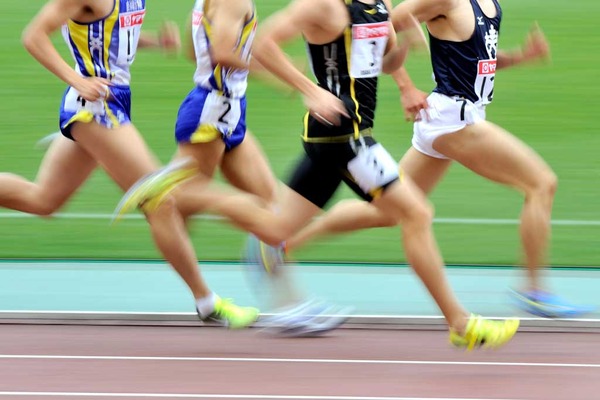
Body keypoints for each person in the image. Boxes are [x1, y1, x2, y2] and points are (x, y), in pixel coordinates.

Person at [116, 0, 520, 348]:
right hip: (343, 137)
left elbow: (381, 61)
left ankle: (178, 192)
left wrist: (407, 49)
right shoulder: (324, 5)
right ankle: (460, 324)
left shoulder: (375, 5)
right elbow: (263, 43)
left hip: (343, 136)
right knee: (416, 214)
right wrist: (309, 89)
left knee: (275, 230)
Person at [271, 0, 595, 319]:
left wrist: (520, 57)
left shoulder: (488, 5)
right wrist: (402, 76)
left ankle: (285, 244)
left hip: (445, 120)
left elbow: (479, 61)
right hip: (454, 120)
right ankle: (534, 290)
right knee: (541, 183)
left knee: (386, 212)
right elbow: (383, 24)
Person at [0, 0, 258, 328]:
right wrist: (77, 80)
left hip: (113, 100)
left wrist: (152, 41)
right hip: (94, 107)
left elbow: (112, 35)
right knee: (160, 200)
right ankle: (207, 302)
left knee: (43, 200)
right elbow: (33, 36)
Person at [148, 0, 350, 335]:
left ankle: (290, 307)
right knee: (178, 202)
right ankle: (161, 188)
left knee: (274, 212)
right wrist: (278, 72)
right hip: (211, 113)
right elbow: (221, 54)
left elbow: (192, 48)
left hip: (228, 111)